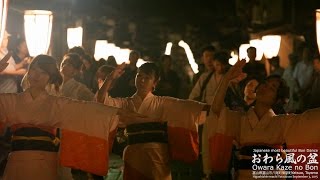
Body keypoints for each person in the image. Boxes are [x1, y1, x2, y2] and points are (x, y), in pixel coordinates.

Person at [0, 55, 147, 180]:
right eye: (33, 70)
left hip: (45, 161)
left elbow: (89, 109)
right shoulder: (12, 100)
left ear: (51, 77)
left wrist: (119, 113)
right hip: (17, 162)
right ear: (28, 71)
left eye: (43, 72)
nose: (36, 75)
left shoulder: (56, 103)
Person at [207, 59, 320, 179]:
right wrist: (226, 79)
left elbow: (310, 119)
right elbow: (216, 111)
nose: (265, 88)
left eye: (272, 88)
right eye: (265, 84)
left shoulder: (283, 122)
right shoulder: (240, 119)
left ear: (278, 99)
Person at [97, 62, 211, 180]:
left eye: (147, 78)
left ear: (155, 83)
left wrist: (213, 108)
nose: (142, 80)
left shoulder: (162, 102)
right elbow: (101, 101)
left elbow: (188, 107)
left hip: (157, 154)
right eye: (139, 76)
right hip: (133, 155)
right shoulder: (126, 103)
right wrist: (109, 79)